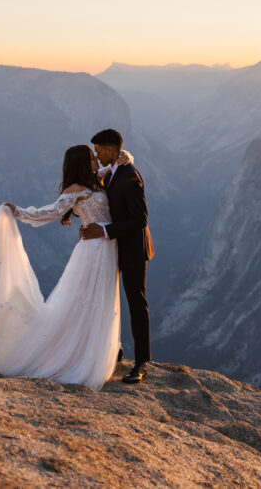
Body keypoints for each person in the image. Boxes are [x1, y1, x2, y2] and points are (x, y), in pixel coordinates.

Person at [0, 144, 125, 390]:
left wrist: (126, 157)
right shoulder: (76, 190)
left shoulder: (96, 180)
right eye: (92, 158)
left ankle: (89, 351)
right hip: (92, 252)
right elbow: (47, 213)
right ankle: (76, 356)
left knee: (100, 301)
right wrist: (17, 212)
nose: (97, 160)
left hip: (106, 249)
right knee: (84, 302)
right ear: (82, 163)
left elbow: (121, 160)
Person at [79, 129, 154, 384]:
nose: (97, 156)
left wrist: (103, 230)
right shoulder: (113, 170)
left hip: (132, 248)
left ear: (111, 150)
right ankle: (115, 349)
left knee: (136, 301)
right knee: (109, 298)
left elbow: (140, 220)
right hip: (113, 247)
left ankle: (142, 363)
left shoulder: (130, 176)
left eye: (99, 151)